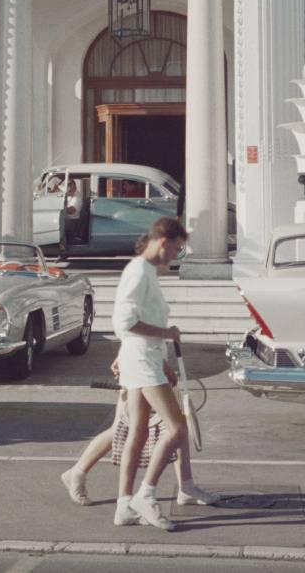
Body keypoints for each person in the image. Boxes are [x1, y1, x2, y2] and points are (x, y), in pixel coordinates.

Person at [110, 215, 192, 531]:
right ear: (162, 242)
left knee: (139, 432)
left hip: (143, 358)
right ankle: (146, 494)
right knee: (177, 428)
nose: (176, 254)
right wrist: (167, 333)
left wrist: (164, 362)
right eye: (175, 248)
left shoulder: (144, 271)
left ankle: (123, 506)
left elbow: (135, 324)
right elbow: (126, 323)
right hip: (141, 360)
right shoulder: (139, 272)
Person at [60, 356, 217, 509]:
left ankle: (185, 486)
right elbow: (138, 334)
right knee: (159, 426)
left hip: (145, 365)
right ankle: (81, 475)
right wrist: (161, 364)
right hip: (142, 367)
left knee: (174, 425)